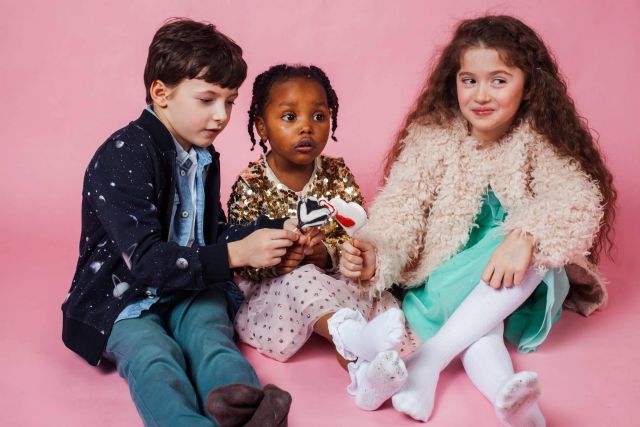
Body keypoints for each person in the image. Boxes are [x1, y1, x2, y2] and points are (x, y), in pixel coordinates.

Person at [340, 15, 616, 426]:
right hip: (450, 283)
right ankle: (514, 402)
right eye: (469, 80)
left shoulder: (536, 140)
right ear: (454, 83)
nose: (481, 95)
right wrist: (374, 253)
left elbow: (574, 197)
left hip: (519, 287)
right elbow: (401, 210)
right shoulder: (433, 137)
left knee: (535, 244)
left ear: (528, 87)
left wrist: (525, 236)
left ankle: (427, 363)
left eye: (499, 80)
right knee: (478, 330)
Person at [61, 18, 298, 427]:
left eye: (230, 100)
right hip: (125, 299)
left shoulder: (202, 157)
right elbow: (147, 260)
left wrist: (273, 231)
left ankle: (248, 412)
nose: (221, 115)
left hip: (189, 286)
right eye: (207, 100)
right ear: (161, 93)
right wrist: (237, 253)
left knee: (212, 337)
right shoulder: (124, 154)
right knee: (154, 357)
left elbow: (210, 234)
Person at [227, 64, 417, 411]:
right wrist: (285, 258)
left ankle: (365, 377)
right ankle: (356, 343)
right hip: (277, 289)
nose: (306, 126)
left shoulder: (337, 173)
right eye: (289, 116)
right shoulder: (251, 184)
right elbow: (241, 258)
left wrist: (328, 255)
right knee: (301, 278)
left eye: (318, 115)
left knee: (374, 294)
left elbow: (357, 231)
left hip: (331, 278)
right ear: (261, 126)